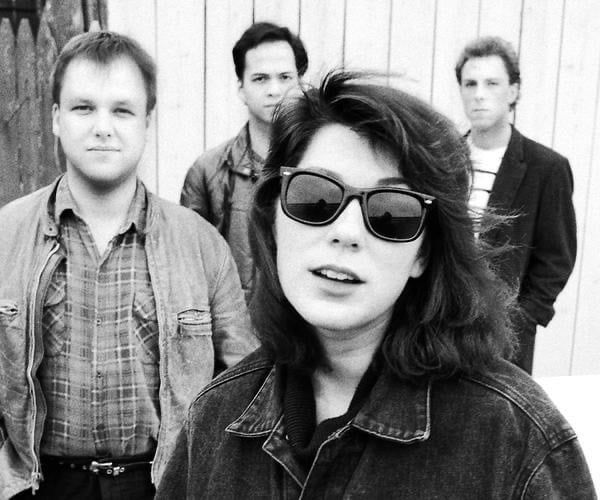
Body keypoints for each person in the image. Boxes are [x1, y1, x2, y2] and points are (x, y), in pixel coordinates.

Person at [155, 71, 594, 498]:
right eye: (315, 197)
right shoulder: (215, 418)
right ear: (274, 221)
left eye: (391, 212)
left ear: (424, 253)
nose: (346, 231)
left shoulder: (516, 440)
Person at [0, 31, 256, 500]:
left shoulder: (200, 245)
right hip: (36, 487)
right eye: (83, 108)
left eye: (122, 110)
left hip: (163, 485)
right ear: (56, 118)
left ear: (147, 121)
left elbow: (246, 385)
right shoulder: (5, 235)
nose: (103, 127)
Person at [455, 36, 577, 374]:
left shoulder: (546, 167)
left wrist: (522, 320)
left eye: (491, 83)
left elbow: (557, 257)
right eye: (470, 83)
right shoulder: (441, 157)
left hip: (504, 336)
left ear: (513, 92)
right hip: (437, 325)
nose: (479, 94)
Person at [180, 22, 308, 302]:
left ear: (300, 84)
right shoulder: (208, 171)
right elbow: (189, 274)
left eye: (285, 77)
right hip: (235, 337)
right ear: (241, 88)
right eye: (260, 79)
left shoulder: (318, 168)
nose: (275, 90)